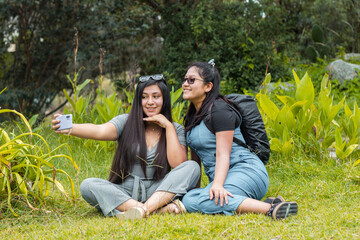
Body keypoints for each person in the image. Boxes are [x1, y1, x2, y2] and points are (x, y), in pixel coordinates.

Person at [52, 74, 200, 219]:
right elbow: (99, 130)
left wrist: (167, 126)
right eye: (144, 97)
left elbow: (178, 164)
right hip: (125, 191)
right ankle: (153, 210)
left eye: (156, 96)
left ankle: (142, 209)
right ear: (138, 100)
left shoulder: (175, 129)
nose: (150, 102)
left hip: (159, 190)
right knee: (87, 185)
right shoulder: (126, 122)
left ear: (164, 100)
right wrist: (70, 127)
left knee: (192, 167)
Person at [180, 61, 298, 220]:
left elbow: (223, 154)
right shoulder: (192, 117)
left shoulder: (219, 110)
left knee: (205, 200)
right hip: (222, 178)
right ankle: (267, 202)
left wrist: (217, 185)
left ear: (208, 86)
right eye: (185, 79)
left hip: (246, 171)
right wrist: (196, 190)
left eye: (191, 80)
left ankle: (271, 209)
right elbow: (196, 162)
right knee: (188, 198)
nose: (185, 84)